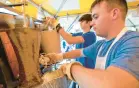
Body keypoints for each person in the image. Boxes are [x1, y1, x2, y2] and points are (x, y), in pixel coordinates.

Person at [40, 0, 139, 88]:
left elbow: (113, 84)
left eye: (96, 17)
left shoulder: (133, 41)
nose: (92, 23)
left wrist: (70, 68)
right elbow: (79, 52)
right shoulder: (100, 45)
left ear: (114, 14)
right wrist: (58, 56)